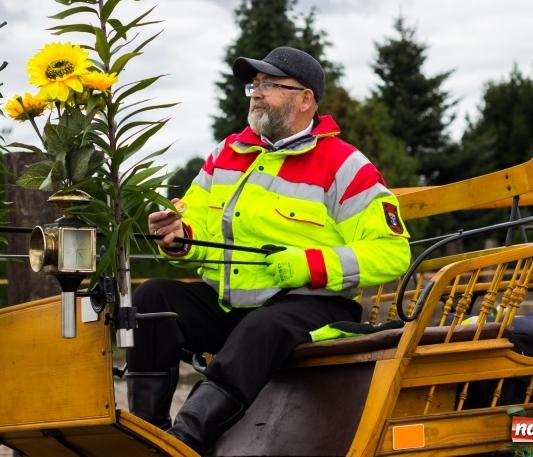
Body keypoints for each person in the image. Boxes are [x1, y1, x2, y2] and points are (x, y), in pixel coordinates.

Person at [126, 46, 411, 454]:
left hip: (313, 306)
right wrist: (180, 235)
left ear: (305, 99)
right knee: (153, 298)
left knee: (261, 328)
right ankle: (146, 436)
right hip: (234, 305)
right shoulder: (226, 153)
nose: (257, 93)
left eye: (270, 85)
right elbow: (200, 225)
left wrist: (308, 264)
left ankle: (185, 441)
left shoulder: (345, 165)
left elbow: (392, 252)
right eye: (255, 84)